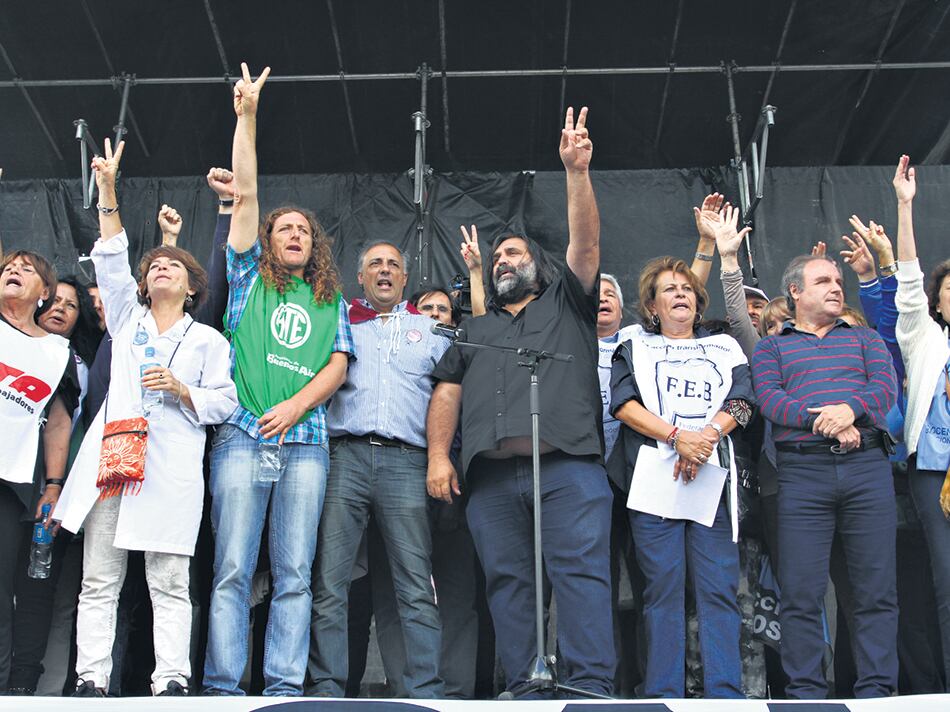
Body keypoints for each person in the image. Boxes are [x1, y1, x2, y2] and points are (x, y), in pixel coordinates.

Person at [427, 106, 615, 696]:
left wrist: (576, 172)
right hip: (491, 478)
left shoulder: (568, 305)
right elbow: (447, 389)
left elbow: (585, 244)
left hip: (568, 467)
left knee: (580, 576)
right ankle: (528, 686)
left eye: (516, 254)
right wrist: (439, 457)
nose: (506, 260)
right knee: (507, 582)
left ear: (539, 265)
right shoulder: (474, 327)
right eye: (499, 257)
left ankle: (588, 686)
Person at [50, 137, 238, 697]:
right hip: (115, 456)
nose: (161, 269)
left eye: (172, 266)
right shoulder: (125, 320)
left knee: (169, 578)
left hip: (171, 467)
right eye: (153, 265)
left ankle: (172, 679)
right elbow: (109, 254)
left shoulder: (205, 339)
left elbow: (224, 402)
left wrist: (182, 390)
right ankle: (90, 678)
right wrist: (108, 190)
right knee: (99, 577)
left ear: (191, 285)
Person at [202, 63, 353, 698]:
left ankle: (285, 688)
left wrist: (295, 405)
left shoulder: (331, 298)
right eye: (284, 228)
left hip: (307, 440)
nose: (294, 233)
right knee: (234, 567)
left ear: (314, 245)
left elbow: (340, 365)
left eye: (304, 230)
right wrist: (247, 116)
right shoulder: (247, 278)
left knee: (295, 571)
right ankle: (224, 686)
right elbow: (249, 191)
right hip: (242, 434)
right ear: (267, 239)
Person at [751, 252, 899, 698]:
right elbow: (770, 401)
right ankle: (806, 694)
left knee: (875, 589)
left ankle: (877, 692)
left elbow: (885, 388)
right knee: (800, 593)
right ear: (795, 292)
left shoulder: (866, 339)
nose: (837, 287)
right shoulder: (772, 347)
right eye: (823, 281)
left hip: (867, 469)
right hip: (802, 474)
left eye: (838, 280)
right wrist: (829, 420)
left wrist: (850, 410)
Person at [308, 238, 449, 699]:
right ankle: (327, 686)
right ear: (362, 276)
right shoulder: (338, 321)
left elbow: (450, 396)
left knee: (414, 580)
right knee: (330, 580)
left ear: (405, 279)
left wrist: (437, 458)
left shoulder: (433, 331)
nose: (385, 270)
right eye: (375, 264)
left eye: (393, 265)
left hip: (406, 462)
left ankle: (426, 688)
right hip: (343, 456)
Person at [610, 245, 753, 698]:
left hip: (714, 478)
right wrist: (677, 438)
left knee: (718, 589)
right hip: (656, 478)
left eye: (687, 288)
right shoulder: (633, 343)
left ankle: (725, 693)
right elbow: (623, 404)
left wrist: (706, 436)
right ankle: (662, 694)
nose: (681, 294)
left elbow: (745, 400)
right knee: (662, 591)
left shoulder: (724, 344)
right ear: (652, 306)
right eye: (669, 289)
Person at [0, 249, 77, 695]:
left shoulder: (56, 353)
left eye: (27, 270)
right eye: (9, 266)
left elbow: (60, 422)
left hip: (9, 485)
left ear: (44, 293)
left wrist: (53, 484)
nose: (14, 271)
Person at [892, 154, 950, 690]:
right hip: (936, 471)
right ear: (939, 302)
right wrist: (905, 207)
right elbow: (907, 279)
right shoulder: (925, 337)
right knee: (947, 580)